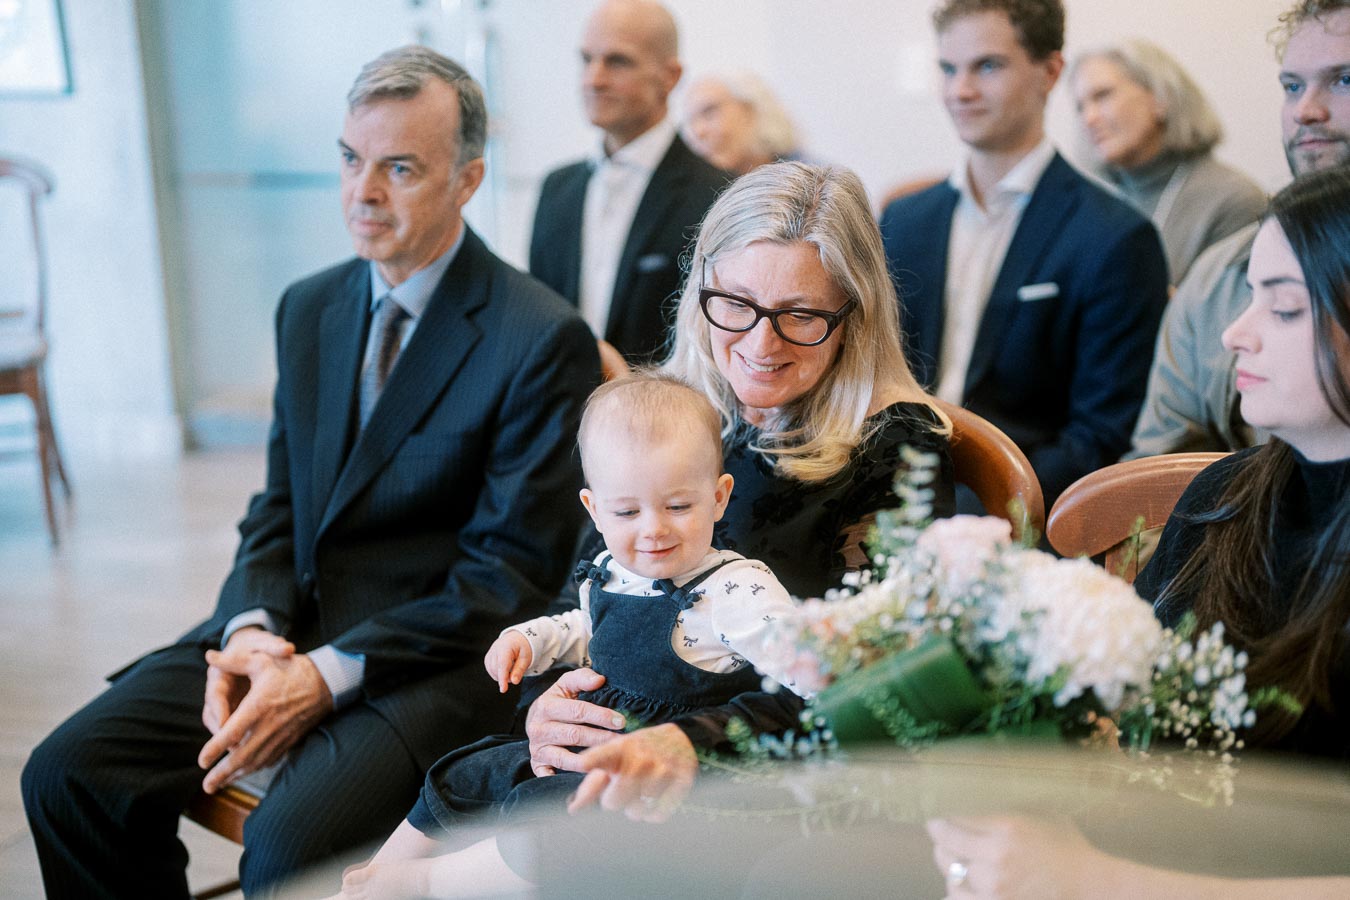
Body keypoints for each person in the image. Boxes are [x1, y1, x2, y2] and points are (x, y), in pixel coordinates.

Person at [21, 47, 600, 897]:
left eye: (399, 168)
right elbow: (278, 506)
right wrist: (253, 630)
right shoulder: (309, 305)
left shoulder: (539, 338)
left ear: (469, 178)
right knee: (68, 774)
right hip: (286, 629)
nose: (362, 193)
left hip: (424, 668)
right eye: (349, 159)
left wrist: (324, 675)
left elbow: (504, 580)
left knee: (290, 847)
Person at [929, 165, 1350, 900]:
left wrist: (1095, 880)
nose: (1234, 334)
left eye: (1283, 309)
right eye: (1250, 295)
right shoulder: (1224, 499)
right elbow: (1134, 738)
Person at [522, 160, 956, 822]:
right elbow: (591, 582)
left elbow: (873, 678)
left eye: (801, 315)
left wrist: (688, 743)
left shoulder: (896, 449)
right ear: (703, 291)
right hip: (616, 750)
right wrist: (552, 703)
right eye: (736, 305)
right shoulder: (675, 410)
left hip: (760, 781)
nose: (761, 343)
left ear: (853, 315)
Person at [335, 372, 812, 899]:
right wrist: (530, 640)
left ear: (719, 497)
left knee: (547, 814)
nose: (653, 529)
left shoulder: (736, 587)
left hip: (656, 771)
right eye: (627, 512)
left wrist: (817, 662)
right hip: (589, 743)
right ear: (593, 509)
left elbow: (807, 668)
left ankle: (426, 884)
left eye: (679, 506)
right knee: (471, 769)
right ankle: (373, 877)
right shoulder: (609, 569)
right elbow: (582, 628)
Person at [879, 0, 1170, 509]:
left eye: (987, 66)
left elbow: (1099, 437)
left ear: (1050, 71)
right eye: (949, 69)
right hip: (885, 499)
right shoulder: (904, 221)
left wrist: (967, 514)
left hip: (1023, 512)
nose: (960, 90)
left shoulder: (1115, 237)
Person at [1127, 0, 1350, 459]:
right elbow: (1154, 479)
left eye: (1344, 80)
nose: (1306, 110)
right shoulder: (1218, 277)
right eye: (1292, 86)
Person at [529, 0, 729, 364]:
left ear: (670, 77)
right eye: (586, 59)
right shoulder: (556, 190)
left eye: (617, 61)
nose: (594, 79)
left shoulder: (717, 195)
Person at [1070, 38, 1267, 284]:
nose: (1089, 118)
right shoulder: (1087, 203)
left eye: (1102, 96)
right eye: (1080, 106)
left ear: (1160, 97)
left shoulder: (1233, 200)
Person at [680, 71, 801, 175]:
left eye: (709, 112)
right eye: (691, 121)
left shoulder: (811, 185)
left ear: (750, 111)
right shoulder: (692, 193)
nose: (698, 131)